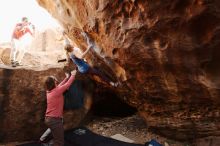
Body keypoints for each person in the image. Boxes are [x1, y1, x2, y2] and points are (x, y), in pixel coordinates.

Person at [44, 70, 77, 146]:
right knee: (60, 142)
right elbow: (67, 85)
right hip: (54, 120)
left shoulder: (49, 91)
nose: (56, 80)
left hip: (49, 119)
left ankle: (46, 142)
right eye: (55, 79)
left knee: (57, 138)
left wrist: (66, 78)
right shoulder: (57, 91)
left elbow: (59, 86)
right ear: (54, 82)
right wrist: (73, 75)